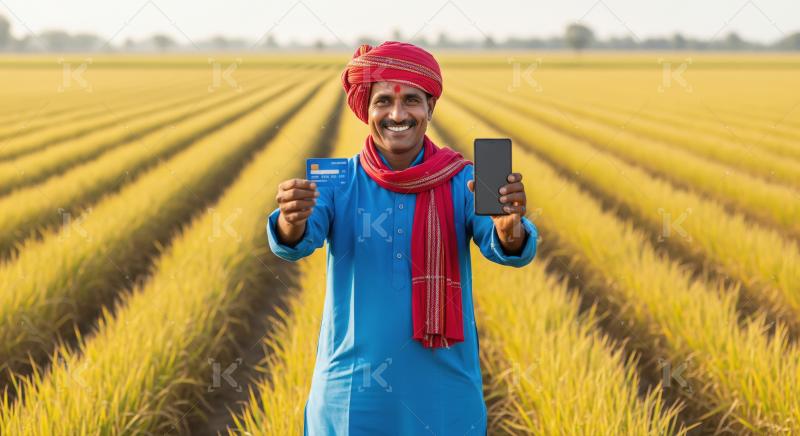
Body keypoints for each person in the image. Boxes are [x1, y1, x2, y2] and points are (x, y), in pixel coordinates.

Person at [266, 40, 538, 435]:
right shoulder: (335, 178)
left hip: (444, 395)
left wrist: (507, 226)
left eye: (411, 100)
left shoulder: (465, 179)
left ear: (430, 107)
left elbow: (505, 246)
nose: (397, 114)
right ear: (367, 110)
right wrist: (291, 220)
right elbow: (297, 241)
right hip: (351, 395)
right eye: (383, 102)